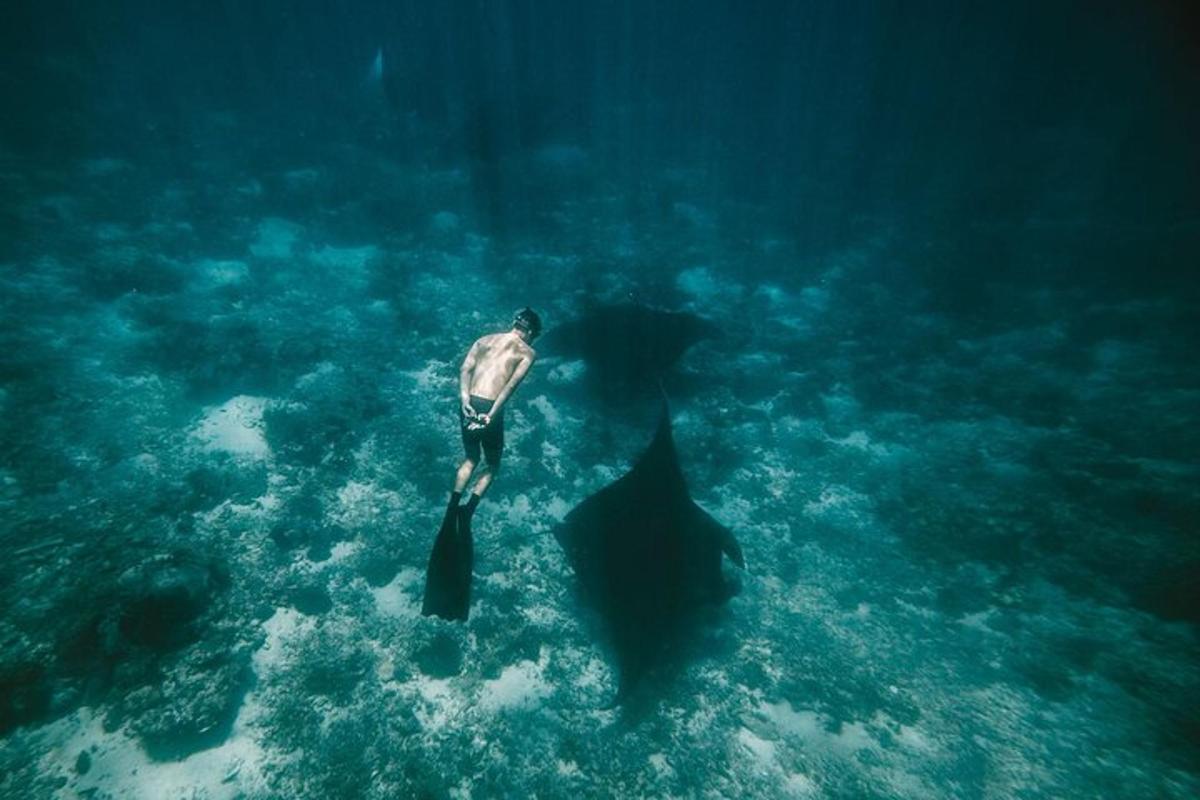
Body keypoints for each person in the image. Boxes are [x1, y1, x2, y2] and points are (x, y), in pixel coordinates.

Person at [447, 307, 541, 522]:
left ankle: (452, 507)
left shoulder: (484, 340)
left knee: (471, 458)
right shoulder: (527, 352)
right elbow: (509, 387)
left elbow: (465, 370)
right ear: (530, 332)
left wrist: (464, 401)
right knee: (492, 463)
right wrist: (491, 414)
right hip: (491, 406)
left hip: (470, 401)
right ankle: (468, 510)